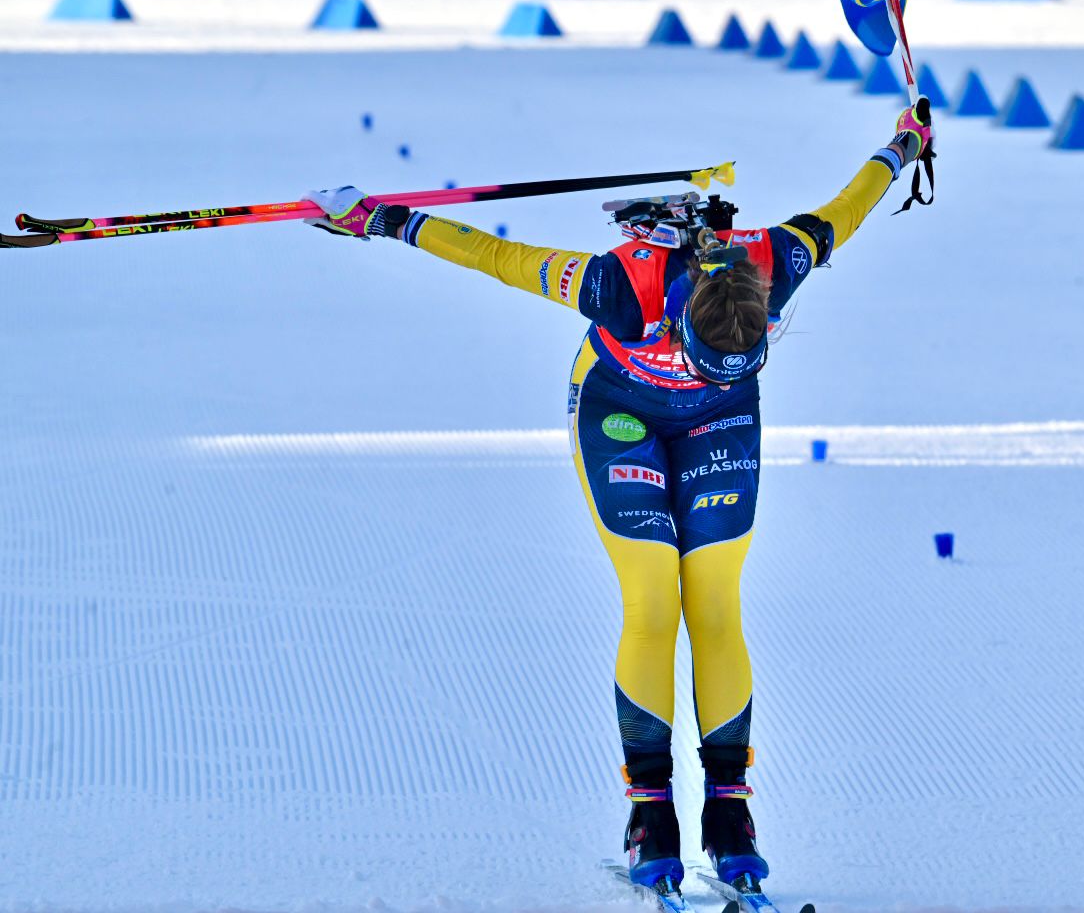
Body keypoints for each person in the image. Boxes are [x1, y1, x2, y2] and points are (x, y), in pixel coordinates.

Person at [306, 105, 931, 898]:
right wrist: (379, 219)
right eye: (706, 358)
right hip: (619, 413)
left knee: (714, 603)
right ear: (678, 317)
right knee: (650, 601)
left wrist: (904, 143)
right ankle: (651, 815)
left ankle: (732, 816)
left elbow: (855, 201)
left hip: (719, 425)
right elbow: (496, 255)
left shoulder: (779, 258)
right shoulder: (618, 284)